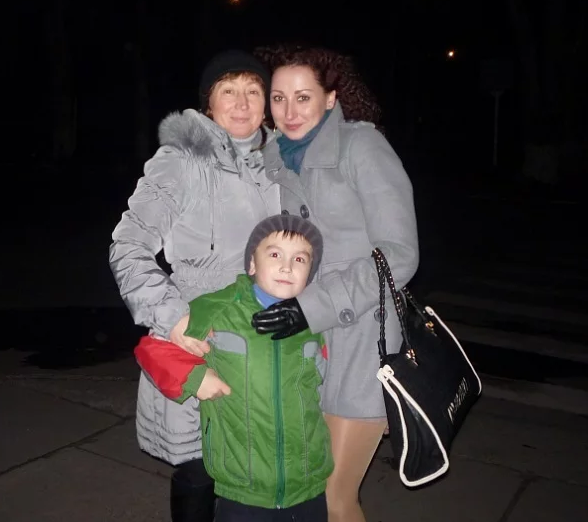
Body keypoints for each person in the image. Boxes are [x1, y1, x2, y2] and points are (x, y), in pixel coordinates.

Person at [109, 50, 280, 522]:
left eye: (253, 91)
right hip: (201, 339)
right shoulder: (182, 161)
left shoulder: (283, 163)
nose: (242, 103)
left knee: (260, 472)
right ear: (209, 103)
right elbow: (128, 246)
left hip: (268, 344)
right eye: (229, 90)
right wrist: (172, 316)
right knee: (200, 470)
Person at [251, 45, 420, 522]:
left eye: (303, 97)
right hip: (308, 348)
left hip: (364, 340)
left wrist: (312, 307)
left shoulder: (361, 147)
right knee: (307, 491)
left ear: (330, 98)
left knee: (333, 497)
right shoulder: (272, 158)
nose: (289, 111)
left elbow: (399, 254)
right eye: (279, 98)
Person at [134, 214, 331, 522]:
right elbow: (152, 348)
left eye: (300, 259)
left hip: (308, 483)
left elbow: (327, 382)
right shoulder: (219, 308)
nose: (287, 267)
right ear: (252, 264)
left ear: (310, 272)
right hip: (241, 485)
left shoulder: (315, 321)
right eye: (275, 254)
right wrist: (194, 377)